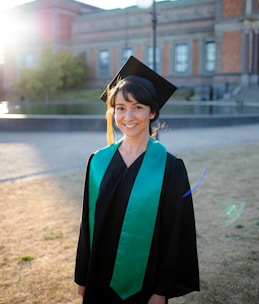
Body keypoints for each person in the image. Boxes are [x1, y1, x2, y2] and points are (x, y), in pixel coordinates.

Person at [74, 56, 199, 304]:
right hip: (99, 276)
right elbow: (87, 224)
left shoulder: (171, 168)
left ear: (152, 112)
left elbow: (175, 234)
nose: (128, 116)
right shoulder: (98, 162)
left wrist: (161, 290)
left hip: (145, 284)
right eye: (120, 107)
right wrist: (82, 276)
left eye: (138, 107)